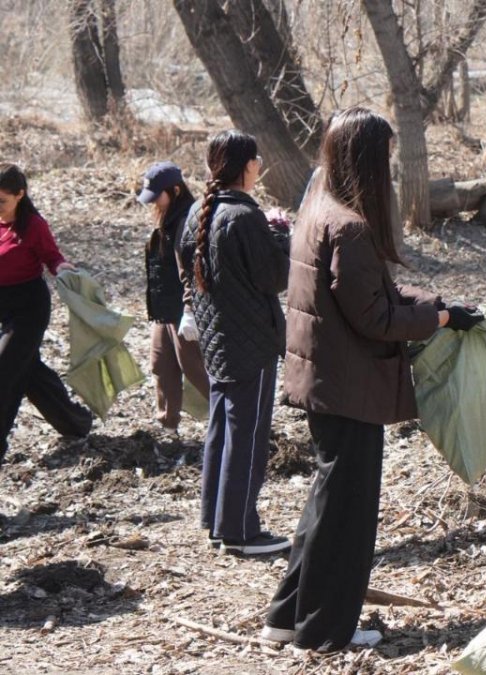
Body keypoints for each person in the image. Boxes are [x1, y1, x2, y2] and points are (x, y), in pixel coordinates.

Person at [262, 108, 484, 652]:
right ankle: (323, 631)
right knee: (347, 516)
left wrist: (440, 306)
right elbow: (377, 318)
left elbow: (372, 297)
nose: (388, 170)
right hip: (349, 388)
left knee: (325, 503)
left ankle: (288, 617)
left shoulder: (319, 209)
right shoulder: (352, 228)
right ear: (364, 160)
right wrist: (438, 321)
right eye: (383, 157)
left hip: (326, 384)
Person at [176, 131, 292, 556]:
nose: (260, 164)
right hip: (251, 342)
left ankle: (216, 519)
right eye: (256, 159)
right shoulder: (244, 217)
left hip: (216, 337)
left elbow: (188, 272)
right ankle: (241, 530)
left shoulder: (198, 213)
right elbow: (275, 277)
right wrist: (281, 234)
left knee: (221, 427)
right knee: (247, 434)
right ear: (245, 167)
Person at [0, 163, 92, 464]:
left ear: (20, 195)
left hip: (29, 308)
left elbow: (51, 256)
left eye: (2, 200)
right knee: (28, 372)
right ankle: (75, 422)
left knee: (6, 372)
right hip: (4, 308)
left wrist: (62, 268)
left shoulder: (33, 226)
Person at [137, 161, 209, 434]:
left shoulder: (187, 221)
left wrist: (190, 310)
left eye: (157, 195)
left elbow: (190, 272)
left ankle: (233, 417)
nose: (153, 202)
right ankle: (168, 425)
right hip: (163, 309)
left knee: (194, 369)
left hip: (183, 308)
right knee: (161, 366)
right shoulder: (166, 218)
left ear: (175, 190)